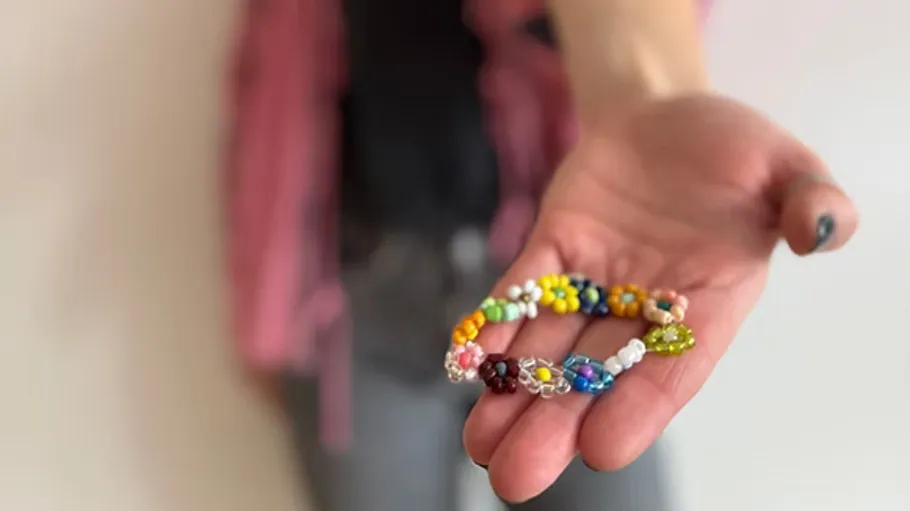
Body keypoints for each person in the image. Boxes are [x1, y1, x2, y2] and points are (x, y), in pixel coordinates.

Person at [228, 0, 857, 509]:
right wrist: (259, 308)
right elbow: (263, 101)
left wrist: (646, 90)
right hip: (350, 306)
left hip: (560, 267)